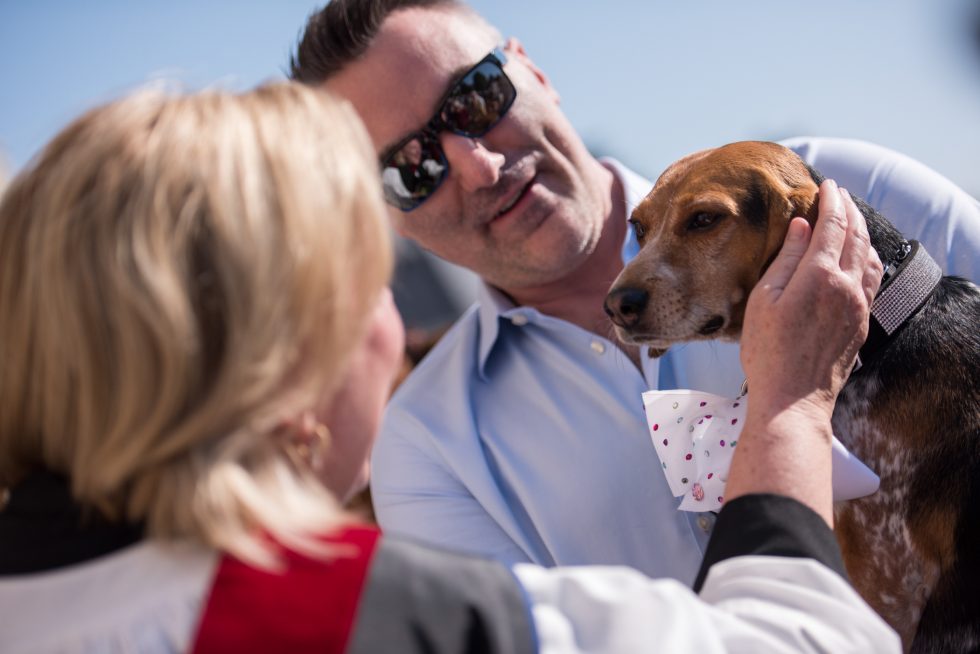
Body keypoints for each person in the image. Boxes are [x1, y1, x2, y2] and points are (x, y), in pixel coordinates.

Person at [0, 81, 898, 652]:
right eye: (368, 281)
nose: (396, 331)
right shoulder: (384, 619)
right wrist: (789, 401)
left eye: (475, 98)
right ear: (287, 363)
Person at [289, 0, 980, 579]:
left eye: (474, 100)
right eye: (411, 169)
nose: (478, 166)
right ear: (379, 210)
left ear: (532, 70)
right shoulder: (427, 452)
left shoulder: (852, 193)